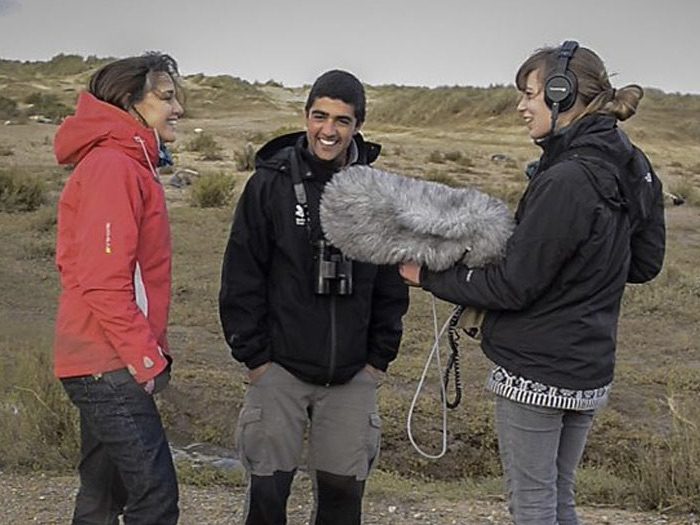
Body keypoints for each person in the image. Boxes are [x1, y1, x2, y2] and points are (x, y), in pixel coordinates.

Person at [400, 41, 665, 524]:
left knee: (533, 503)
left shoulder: (567, 178)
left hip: (537, 374)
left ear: (562, 95)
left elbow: (511, 286)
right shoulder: (634, 164)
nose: (521, 108)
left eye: (530, 94)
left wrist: (428, 275)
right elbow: (644, 262)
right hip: (587, 368)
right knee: (557, 497)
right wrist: (579, 268)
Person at [219, 69, 409, 525]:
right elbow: (242, 275)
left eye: (342, 121)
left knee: (343, 501)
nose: (329, 130)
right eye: (320, 116)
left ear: (358, 125)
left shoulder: (378, 194)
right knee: (267, 498)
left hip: (351, 376)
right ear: (305, 117)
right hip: (279, 371)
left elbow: (391, 284)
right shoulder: (269, 184)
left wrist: (377, 362)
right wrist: (256, 360)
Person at [53, 52, 184, 524]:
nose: (177, 109)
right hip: (106, 361)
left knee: (103, 494)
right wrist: (145, 359)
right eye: (166, 97)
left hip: (102, 356)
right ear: (130, 101)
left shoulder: (126, 162)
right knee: (155, 497)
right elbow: (104, 282)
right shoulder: (113, 166)